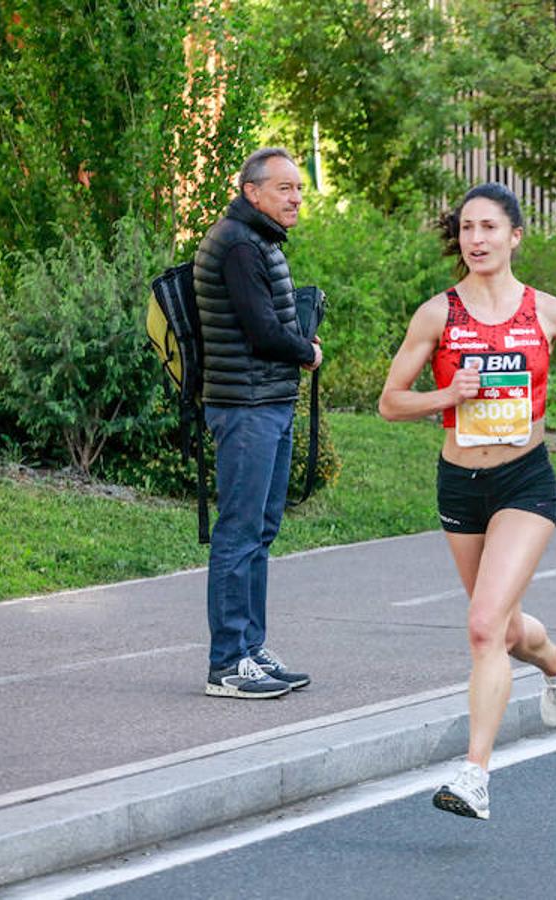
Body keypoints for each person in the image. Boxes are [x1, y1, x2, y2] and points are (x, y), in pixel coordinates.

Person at [378, 182, 556, 820]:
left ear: (515, 235)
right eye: (466, 229)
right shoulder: (438, 314)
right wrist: (447, 397)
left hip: (524, 483)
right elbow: (390, 402)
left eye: (489, 227)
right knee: (507, 630)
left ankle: (474, 774)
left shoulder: (550, 311)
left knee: (483, 625)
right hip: (460, 484)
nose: (476, 239)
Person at [195, 147, 322, 699]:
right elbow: (262, 331)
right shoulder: (239, 244)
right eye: (284, 188)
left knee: (260, 532)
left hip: (265, 401)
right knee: (240, 533)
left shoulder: (257, 239)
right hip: (245, 406)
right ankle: (227, 664)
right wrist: (308, 351)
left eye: (298, 188)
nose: (295, 197)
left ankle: (250, 649)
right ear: (252, 192)